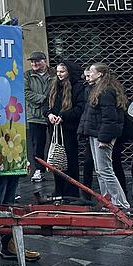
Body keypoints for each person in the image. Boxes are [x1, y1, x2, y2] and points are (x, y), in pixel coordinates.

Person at [78, 62, 130, 210]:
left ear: (99, 74)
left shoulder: (106, 91)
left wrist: (105, 138)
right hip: (95, 134)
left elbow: (110, 117)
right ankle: (108, 201)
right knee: (100, 171)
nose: (88, 75)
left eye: (92, 72)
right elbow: (90, 114)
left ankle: (120, 203)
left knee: (105, 170)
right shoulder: (96, 89)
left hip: (102, 135)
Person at [48, 61, 85, 200]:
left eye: (62, 72)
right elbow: (48, 105)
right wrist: (50, 114)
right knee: (57, 160)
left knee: (69, 161)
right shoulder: (54, 85)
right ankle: (59, 190)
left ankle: (71, 192)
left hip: (69, 129)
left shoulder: (77, 87)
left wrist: (63, 117)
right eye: (57, 72)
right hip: (55, 128)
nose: (59, 74)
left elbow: (79, 108)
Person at [24, 51, 54, 182]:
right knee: (37, 144)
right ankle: (39, 170)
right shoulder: (27, 75)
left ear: (44, 61)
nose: (34, 63)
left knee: (56, 141)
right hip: (35, 114)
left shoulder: (53, 74)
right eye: (32, 61)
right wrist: (43, 99)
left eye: (37, 61)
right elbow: (25, 92)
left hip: (53, 112)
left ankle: (58, 167)